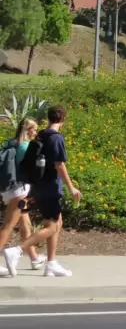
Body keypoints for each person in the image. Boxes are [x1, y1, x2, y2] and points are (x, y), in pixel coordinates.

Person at [3, 105, 81, 278]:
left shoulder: (41, 135)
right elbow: (59, 164)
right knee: (52, 226)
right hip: (51, 188)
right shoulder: (56, 138)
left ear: (49, 118)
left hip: (39, 186)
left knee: (56, 223)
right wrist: (71, 187)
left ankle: (51, 264)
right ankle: (17, 250)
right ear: (63, 119)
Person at [0, 118, 44, 277]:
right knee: (7, 226)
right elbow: (34, 171)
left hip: (9, 189)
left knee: (25, 222)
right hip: (19, 190)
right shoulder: (25, 146)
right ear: (28, 130)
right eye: (34, 129)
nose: (36, 132)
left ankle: (34, 258)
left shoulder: (11, 144)